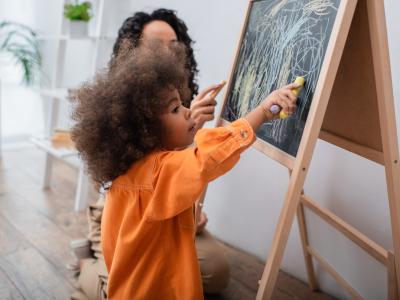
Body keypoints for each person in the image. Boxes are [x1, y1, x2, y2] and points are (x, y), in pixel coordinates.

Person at [71, 37, 298, 299]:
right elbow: (207, 158)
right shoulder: (158, 173)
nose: (189, 112)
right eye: (176, 108)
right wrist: (262, 112)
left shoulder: (136, 171)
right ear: (146, 130)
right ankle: (86, 266)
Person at [70, 9, 232, 300]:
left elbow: (182, 169)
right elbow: (141, 175)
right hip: (123, 213)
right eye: (157, 46)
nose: (168, 53)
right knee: (121, 290)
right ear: (132, 49)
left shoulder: (180, 94)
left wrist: (193, 127)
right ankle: (85, 264)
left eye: (174, 45)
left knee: (215, 272)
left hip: (166, 212)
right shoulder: (120, 100)